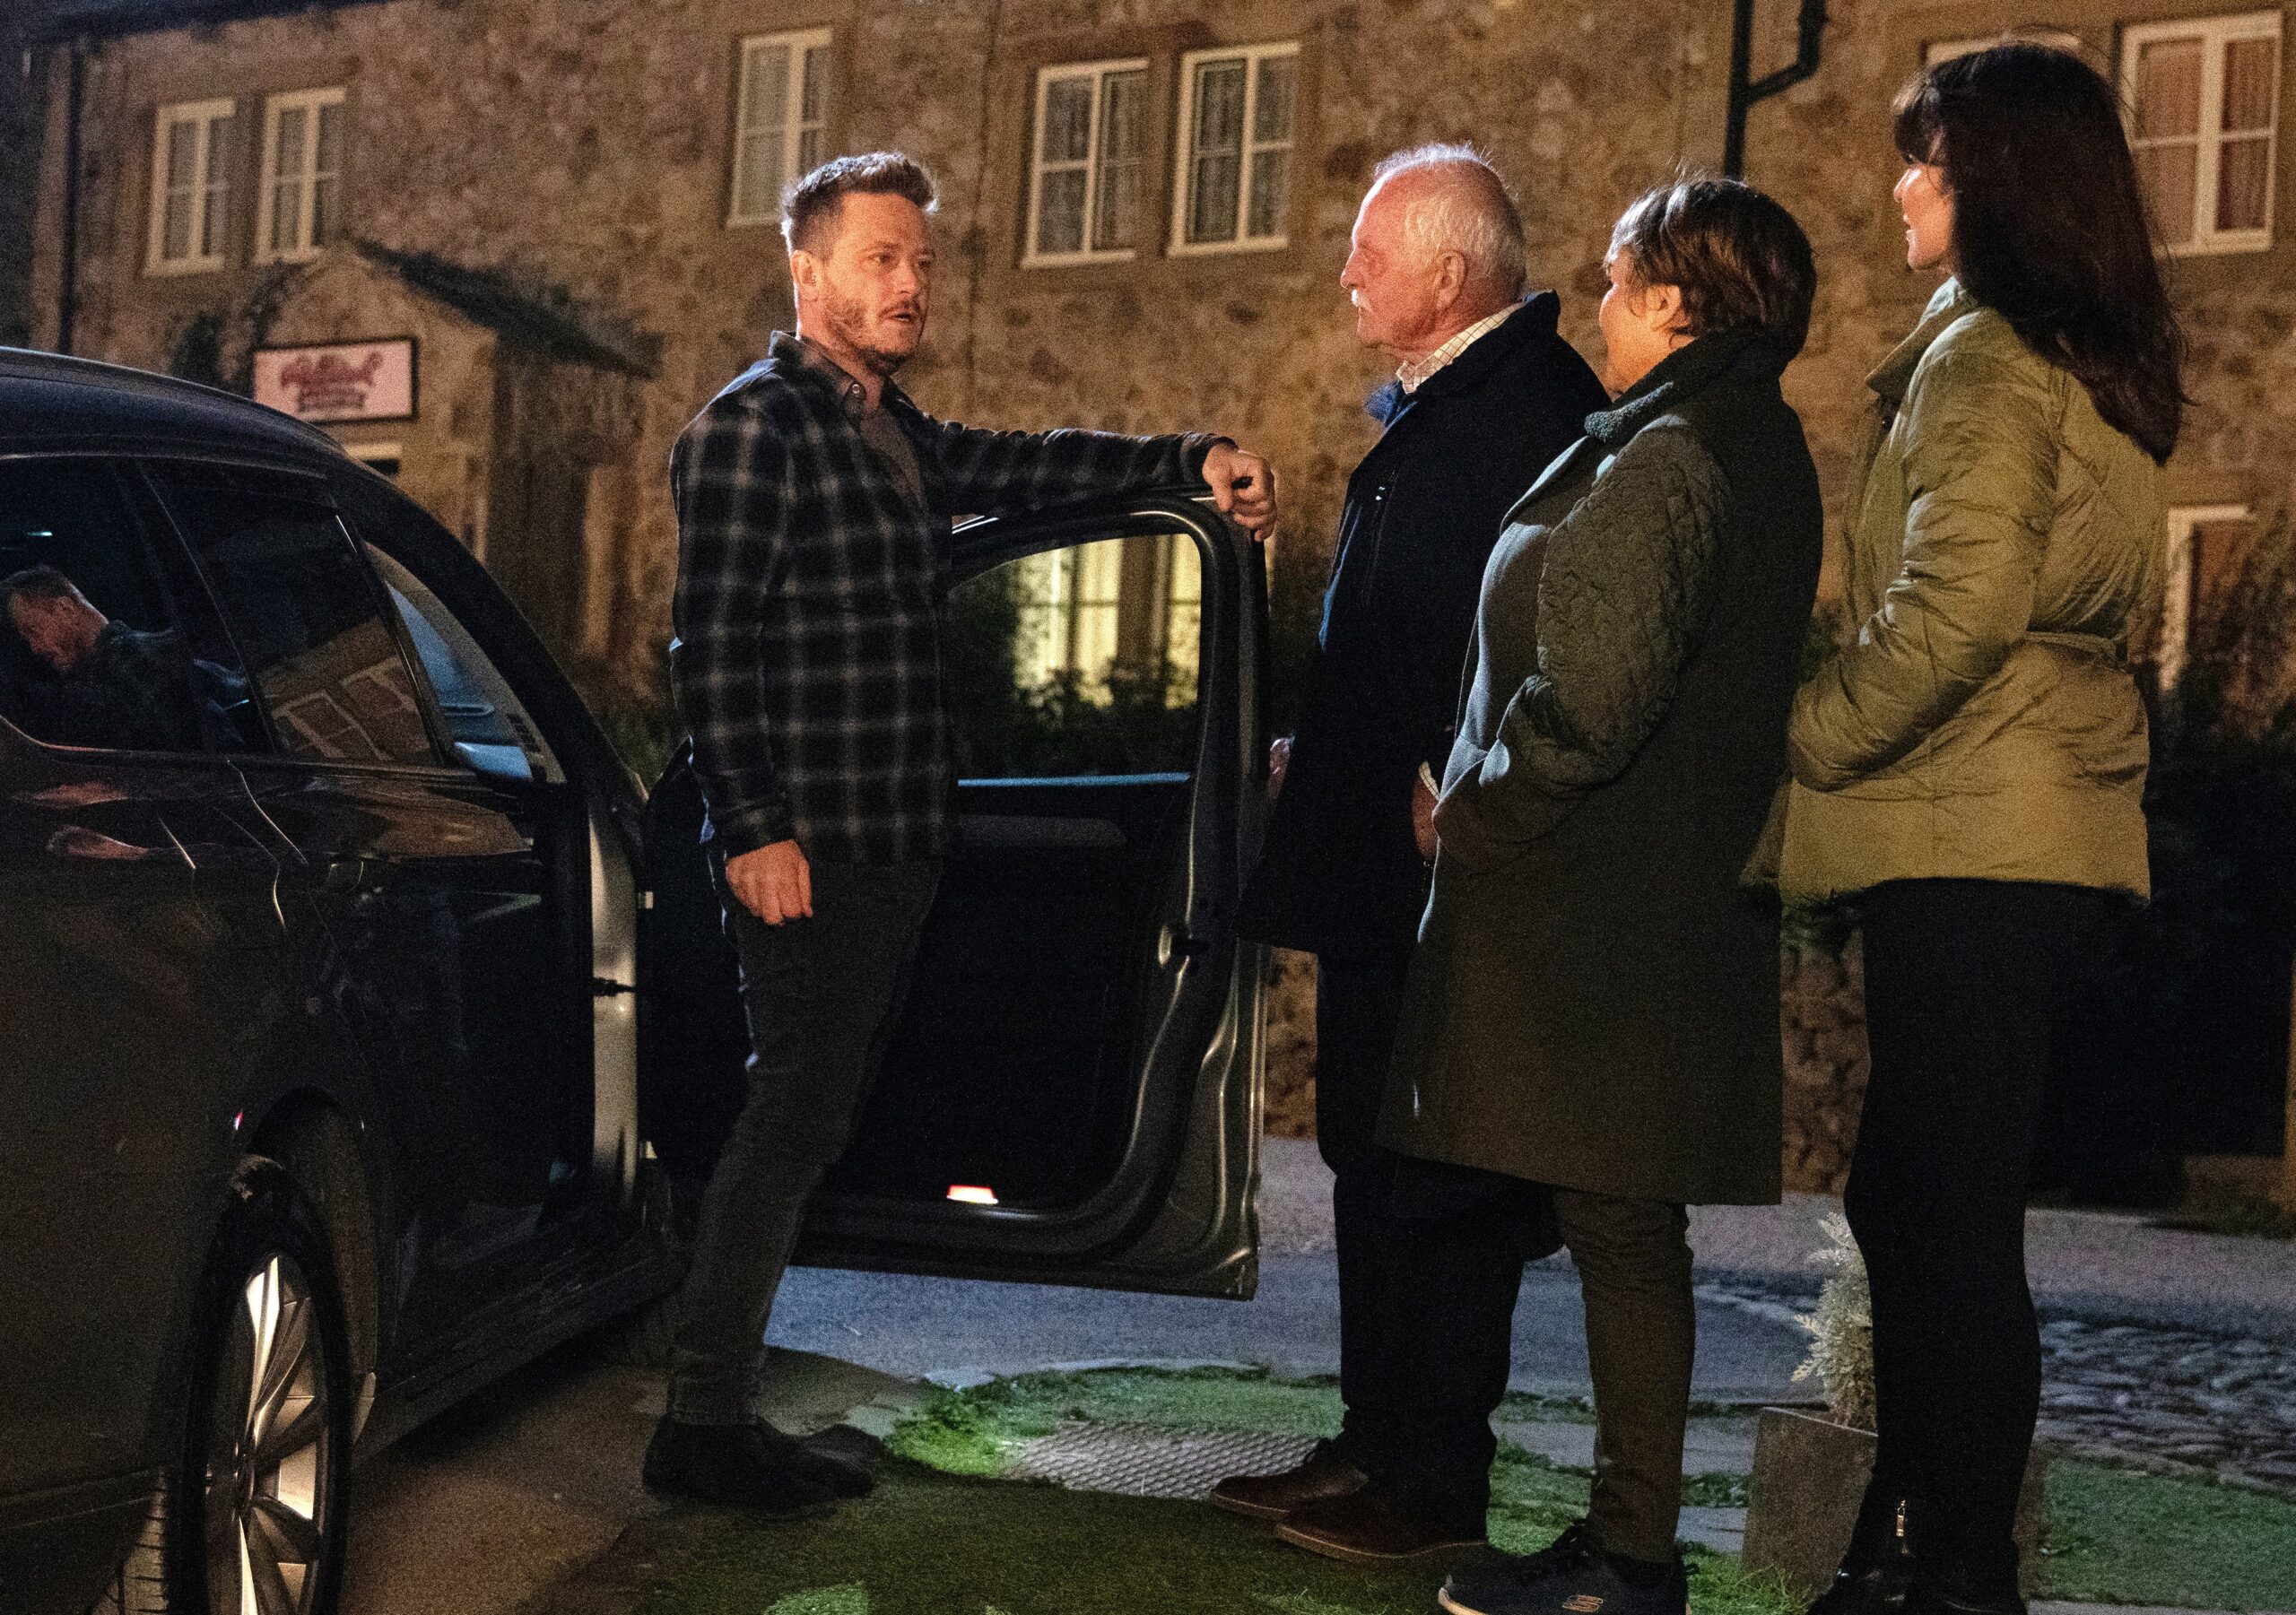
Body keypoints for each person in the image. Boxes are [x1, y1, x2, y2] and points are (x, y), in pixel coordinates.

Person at [656, 151, 1278, 1515]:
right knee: (789, 1123)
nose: (911, 283)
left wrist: (1187, 461)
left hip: (888, 841)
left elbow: (1022, 463)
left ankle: (716, 1405)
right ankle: (700, 1420)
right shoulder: (753, 429)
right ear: (806, 272)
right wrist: (753, 827)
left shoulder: (890, 430)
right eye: (881, 258)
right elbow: (711, 649)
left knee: (811, 1124)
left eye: (923, 262)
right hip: (808, 846)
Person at [1302, 178, 1822, 1611]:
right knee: (1620, 1235)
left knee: (1619, 1238)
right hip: (1635, 900)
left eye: (1613, 280)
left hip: (1602, 909)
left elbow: (1591, 699)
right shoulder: (1730, 436)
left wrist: (1467, 808)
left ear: (1676, 297)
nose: (1594, 305)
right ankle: (1625, 1547)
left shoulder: (1676, 452)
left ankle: (1628, 1558)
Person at [1779, 45, 2181, 1615]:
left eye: (1928, 166)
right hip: (2022, 816)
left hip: (1976, 822)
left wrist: (1805, 736)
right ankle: (1906, 1540)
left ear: (2000, 186)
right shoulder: (2082, 362)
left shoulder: (1987, 363)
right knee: (1922, 1199)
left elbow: (1951, 615)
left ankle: (1956, 1573)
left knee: (1945, 1213)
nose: (1899, 188)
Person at [1213, 145, 1605, 1531]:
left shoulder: (1536, 411)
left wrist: (1455, 773)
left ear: (1446, 274)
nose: (1345, 277)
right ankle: (1374, 1444)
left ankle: (1431, 1476)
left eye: (1368, 254)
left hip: (1458, 874)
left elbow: (1542, 637)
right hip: (1396, 869)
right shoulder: (1471, 402)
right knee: (1376, 1163)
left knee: (1441, 1183)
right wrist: (1321, 755)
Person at [0, 565, 242, 753]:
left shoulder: (131, 662)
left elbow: (193, 768)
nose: (34, 647)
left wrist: (115, 790)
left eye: (34, 630)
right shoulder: (113, 669)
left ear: (65, 610)